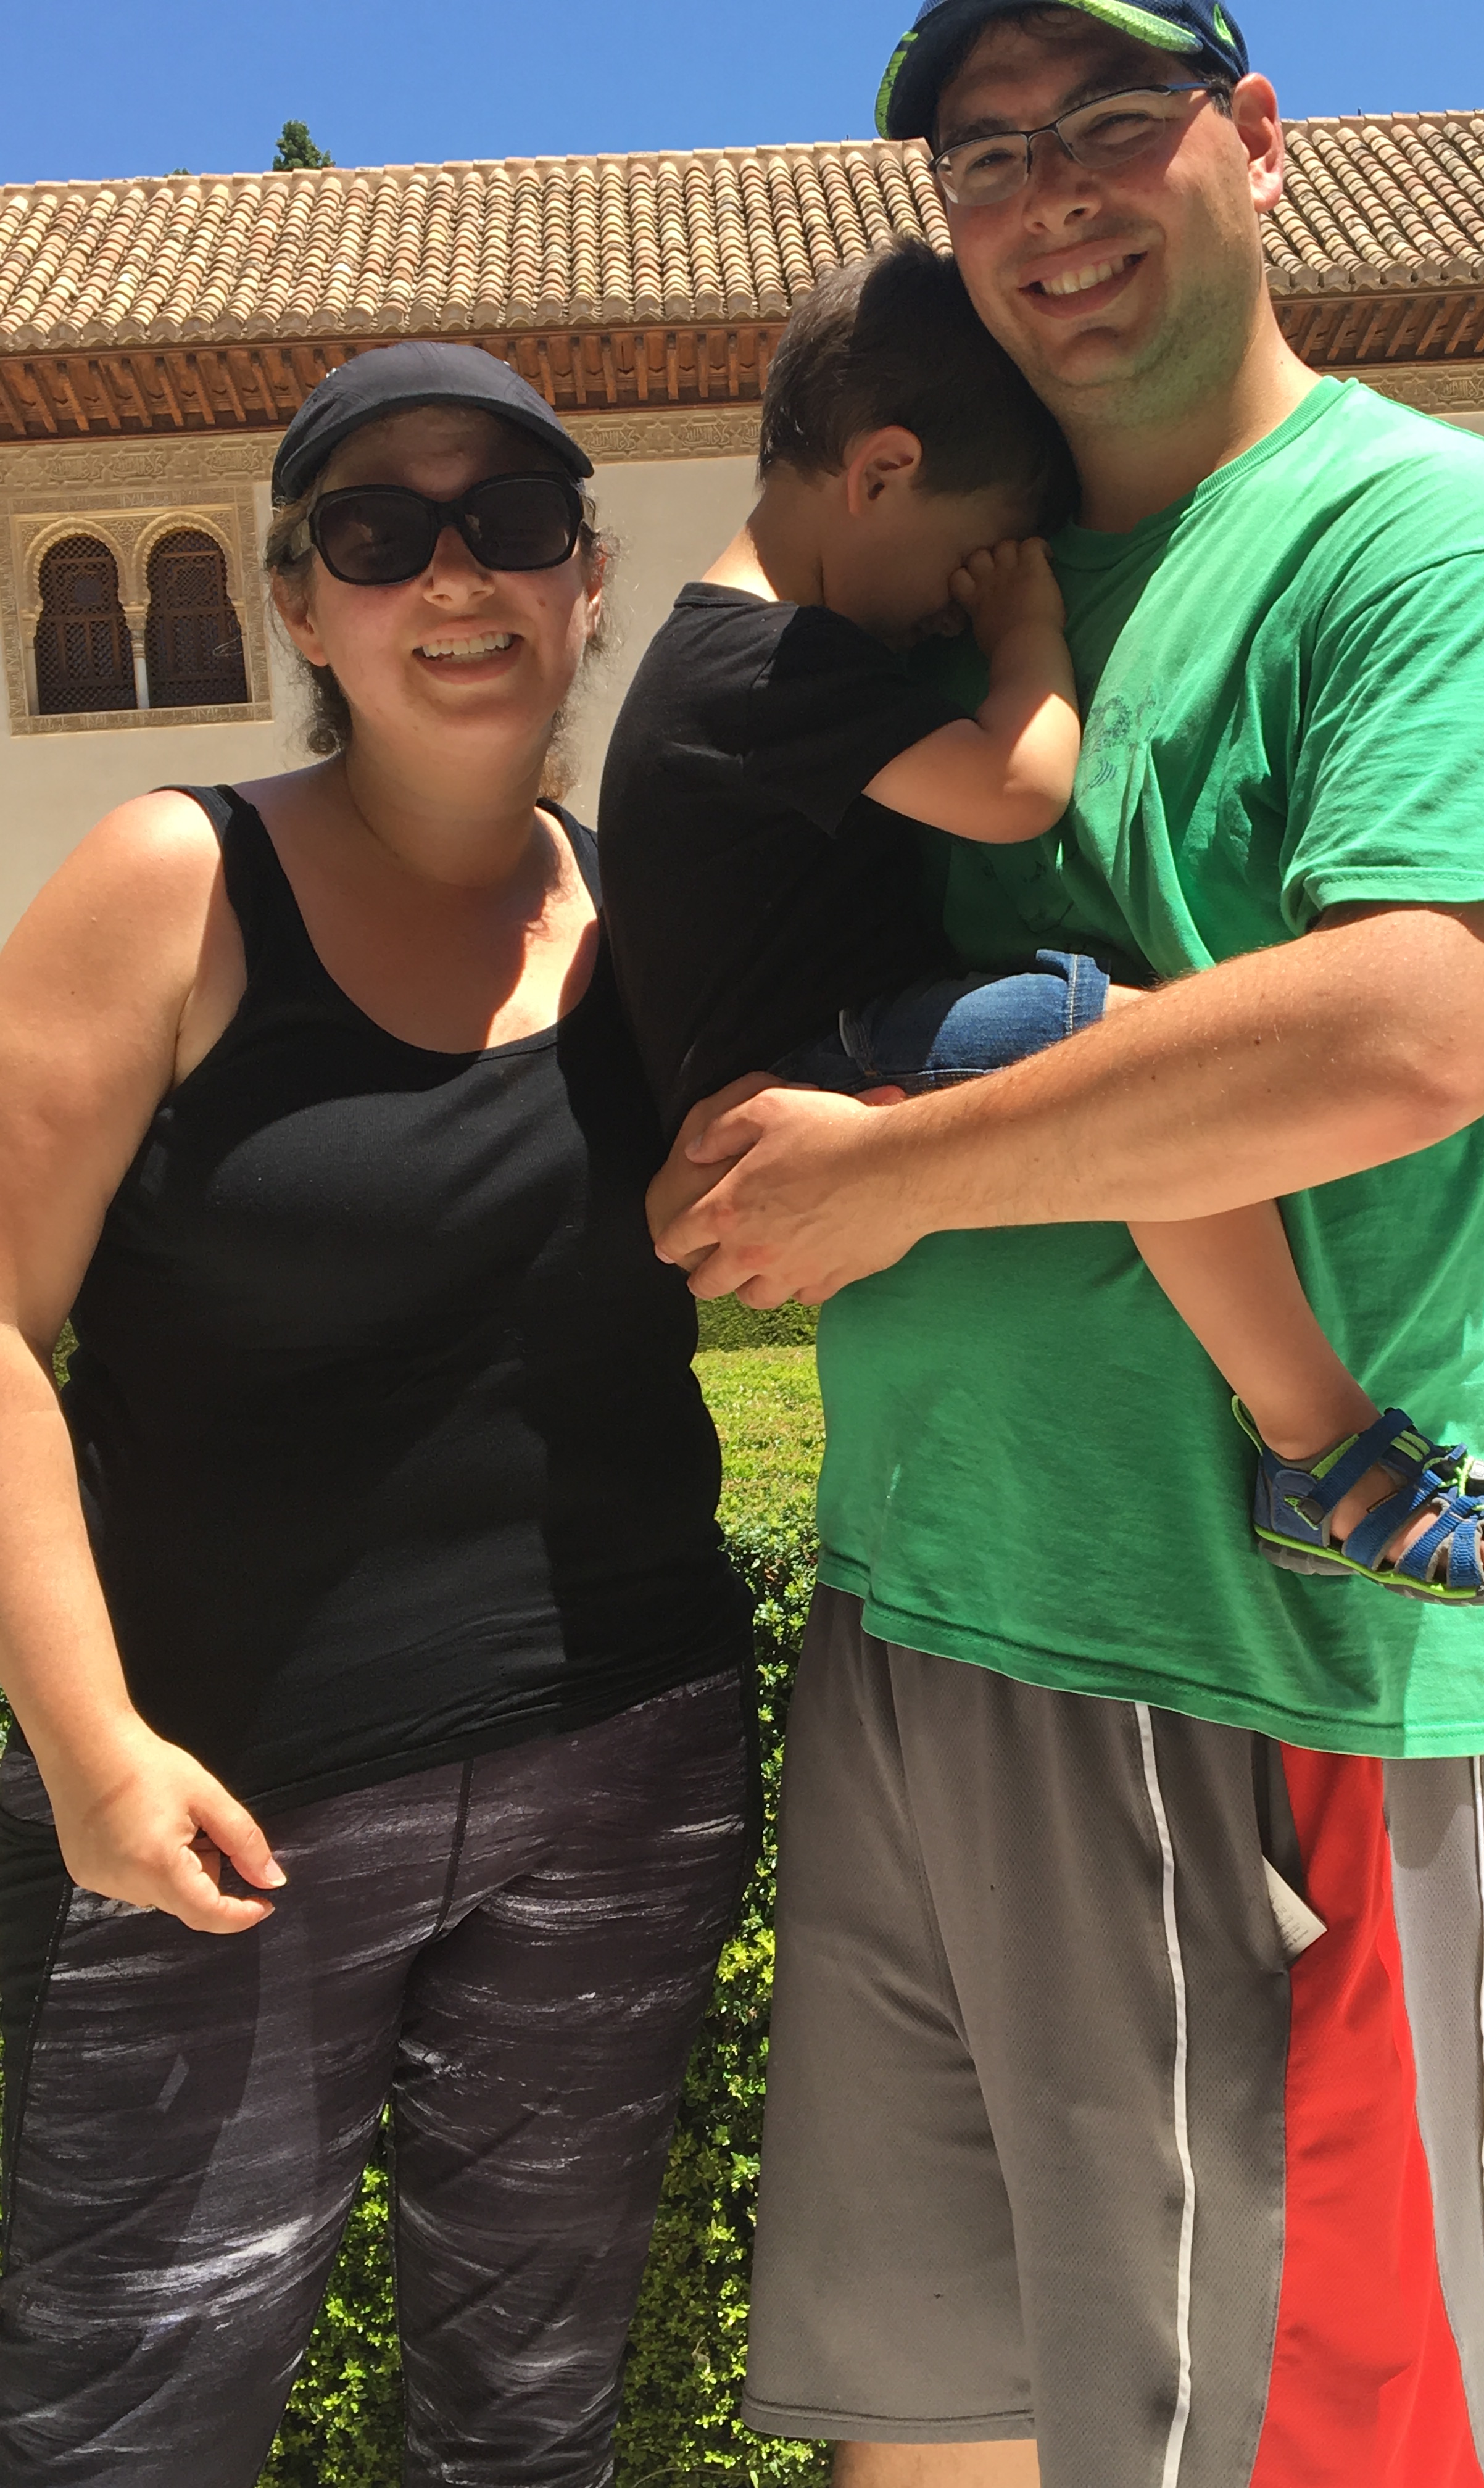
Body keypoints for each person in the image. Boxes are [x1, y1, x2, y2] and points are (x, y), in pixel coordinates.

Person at [653, 4, 1484, 2482]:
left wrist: (887, 1172)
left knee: (1301, 2443)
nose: (1048, 190)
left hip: (1252, 1671)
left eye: (1108, 120)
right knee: (935, 2426)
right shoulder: (953, 591)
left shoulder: (1419, 531)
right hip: (913, 1614)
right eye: (985, 153)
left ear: (1257, 142)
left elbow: (1418, 1018)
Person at [0, 341, 753, 2488]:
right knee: (124, 2419)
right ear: (298, 605)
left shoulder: (650, 916)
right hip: (223, 1807)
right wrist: (92, 1752)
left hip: (623, 1766)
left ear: (586, 579)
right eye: (377, 532)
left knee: (530, 2421)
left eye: (510, 524)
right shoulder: (173, 883)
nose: (454, 574)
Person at [602, 240, 1484, 1606]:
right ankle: (1322, 1448)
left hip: (812, 1051)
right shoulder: (766, 660)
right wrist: (1026, 624)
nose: (951, 603)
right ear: (881, 473)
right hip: (816, 1061)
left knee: (1137, 1073)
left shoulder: (728, 652)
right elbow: (1017, 788)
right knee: (1138, 1067)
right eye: (963, 556)